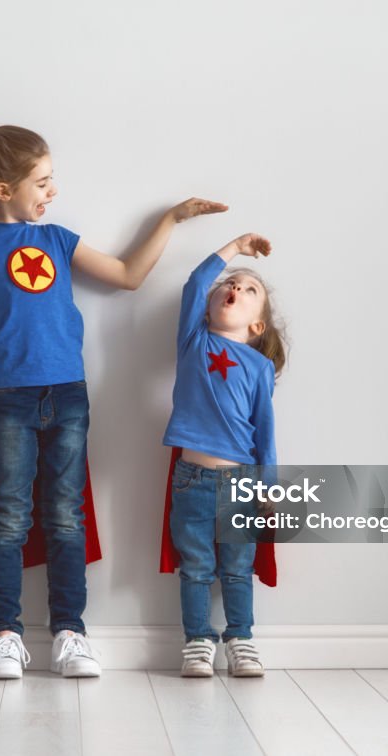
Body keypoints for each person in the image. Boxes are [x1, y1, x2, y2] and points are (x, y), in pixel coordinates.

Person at [0, 124, 227, 679]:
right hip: (5, 401)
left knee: (66, 515)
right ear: (2, 190)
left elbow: (128, 276)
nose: (52, 191)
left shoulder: (59, 240)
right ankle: (5, 635)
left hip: (67, 395)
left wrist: (171, 219)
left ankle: (70, 632)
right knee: (8, 516)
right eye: (42, 181)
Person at [161, 232, 287, 677]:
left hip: (242, 483)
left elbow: (265, 433)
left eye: (250, 289)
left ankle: (241, 640)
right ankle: (198, 642)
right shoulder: (194, 341)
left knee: (237, 569)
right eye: (229, 285)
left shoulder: (258, 368)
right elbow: (196, 283)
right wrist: (233, 248)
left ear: (258, 327)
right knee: (195, 568)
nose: (235, 288)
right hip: (192, 479)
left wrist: (268, 490)